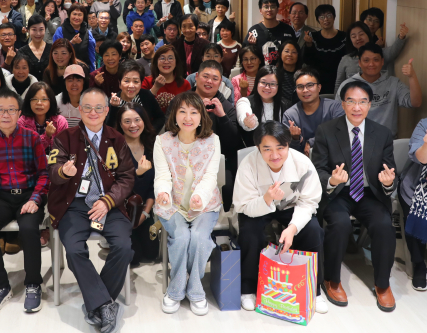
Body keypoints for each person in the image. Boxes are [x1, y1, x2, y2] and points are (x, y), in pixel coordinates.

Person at [47, 88, 135, 331]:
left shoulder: (117, 139)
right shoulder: (64, 137)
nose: (93, 112)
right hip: (73, 205)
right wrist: (64, 172)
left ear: (107, 111)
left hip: (109, 204)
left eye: (98, 108)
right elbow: (52, 172)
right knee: (74, 250)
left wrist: (108, 201)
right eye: (87, 107)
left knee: (124, 247)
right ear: (80, 110)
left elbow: (127, 177)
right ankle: (106, 304)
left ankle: (97, 302)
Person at [312, 80, 398, 312]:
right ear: (343, 104)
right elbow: (317, 169)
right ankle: (332, 280)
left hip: (370, 193)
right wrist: (332, 180)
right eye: (351, 101)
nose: (357, 107)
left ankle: (383, 285)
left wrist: (388, 183)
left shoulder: (382, 133)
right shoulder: (326, 130)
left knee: (384, 225)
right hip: (339, 193)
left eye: (362, 102)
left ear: (370, 105)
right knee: (340, 224)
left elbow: (390, 171)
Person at [233, 122, 327, 314]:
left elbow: (309, 202)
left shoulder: (302, 164)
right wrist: (267, 198)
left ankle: (314, 289)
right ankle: (248, 288)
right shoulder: (248, 164)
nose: (274, 155)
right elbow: (243, 205)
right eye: (267, 149)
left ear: (288, 145)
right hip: (258, 206)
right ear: (258, 147)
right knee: (250, 231)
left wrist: (292, 228)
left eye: (280, 148)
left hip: (292, 206)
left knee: (313, 230)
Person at [0, 89, 48, 313]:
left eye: (11, 110)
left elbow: (44, 174)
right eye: (0, 110)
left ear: (19, 113)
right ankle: (0, 287)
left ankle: (33, 284)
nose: (6, 115)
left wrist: (35, 199)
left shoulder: (32, 138)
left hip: (28, 195)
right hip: (1, 196)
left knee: (29, 229)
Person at [154, 92, 221, 315]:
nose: (188, 117)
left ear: (202, 117)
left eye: (193, 112)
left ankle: (194, 289)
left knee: (200, 238)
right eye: (182, 111)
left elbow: (210, 176)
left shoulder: (212, 141)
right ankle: (177, 289)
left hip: (205, 204)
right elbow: (162, 176)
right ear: (174, 115)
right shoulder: (162, 141)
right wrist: (163, 193)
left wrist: (199, 196)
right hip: (172, 205)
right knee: (182, 238)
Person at [179, 60, 241, 208]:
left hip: (218, 160)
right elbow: (172, 131)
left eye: (214, 78)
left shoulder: (225, 106)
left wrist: (222, 117)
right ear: (196, 77)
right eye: (205, 76)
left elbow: (234, 143)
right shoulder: (180, 101)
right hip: (184, 157)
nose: (209, 81)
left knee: (227, 188)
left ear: (220, 83)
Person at [336, 43, 422, 137]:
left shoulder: (393, 83)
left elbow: (416, 102)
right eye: (366, 60)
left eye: (376, 60)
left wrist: (412, 76)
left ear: (382, 61)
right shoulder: (347, 85)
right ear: (359, 63)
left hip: (387, 139)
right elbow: (337, 115)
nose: (371, 64)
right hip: (356, 139)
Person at [114, 103, 158, 266]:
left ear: (144, 121)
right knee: (133, 258)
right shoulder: (114, 148)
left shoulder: (153, 145)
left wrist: (145, 213)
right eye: (127, 121)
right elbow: (116, 186)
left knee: (152, 254)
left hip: (144, 209)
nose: (133, 125)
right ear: (120, 124)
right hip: (121, 211)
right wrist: (137, 174)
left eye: (137, 120)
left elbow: (155, 185)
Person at [282, 68, 345, 156]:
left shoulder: (336, 107)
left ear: (319, 87)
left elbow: (340, 134)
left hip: (333, 157)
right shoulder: (290, 115)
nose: (305, 90)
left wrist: (311, 142)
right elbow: (289, 151)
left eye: (310, 85)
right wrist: (295, 139)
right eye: (300, 86)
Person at [334, 20, 408, 91]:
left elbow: (393, 51)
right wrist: (337, 99)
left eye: (361, 34)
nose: (358, 38)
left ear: (368, 35)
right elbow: (339, 84)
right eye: (353, 36)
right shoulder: (346, 59)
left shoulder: (379, 53)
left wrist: (401, 37)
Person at [398, 118, 427, 291]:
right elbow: (420, 157)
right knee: (414, 211)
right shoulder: (424, 124)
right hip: (416, 186)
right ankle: (419, 263)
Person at [236, 65, 291, 147]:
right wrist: (248, 122)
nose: (267, 87)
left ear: (279, 86)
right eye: (263, 82)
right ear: (257, 82)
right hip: (254, 150)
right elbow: (243, 114)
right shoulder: (244, 102)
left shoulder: (286, 105)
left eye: (272, 84)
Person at [107, 60, 165, 131]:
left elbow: (160, 118)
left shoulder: (147, 96)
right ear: (119, 83)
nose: (131, 86)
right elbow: (108, 129)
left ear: (141, 83)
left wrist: (150, 132)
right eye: (127, 81)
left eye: (136, 81)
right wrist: (114, 108)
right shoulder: (111, 102)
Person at [303, 4, 347, 95]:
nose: (326, 19)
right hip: (318, 81)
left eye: (329, 16)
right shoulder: (312, 37)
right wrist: (309, 45)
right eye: (322, 17)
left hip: (339, 80)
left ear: (334, 17)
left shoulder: (344, 37)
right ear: (318, 20)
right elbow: (308, 61)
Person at [243, 0, 295, 65]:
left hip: (283, 70)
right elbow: (244, 55)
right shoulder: (254, 31)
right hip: (261, 70)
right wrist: (251, 46)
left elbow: (295, 52)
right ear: (260, 11)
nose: (269, 9)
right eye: (266, 7)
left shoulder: (287, 29)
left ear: (277, 9)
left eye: (273, 7)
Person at [18, 82, 68, 150]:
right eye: (35, 99)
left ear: (51, 101)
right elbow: (27, 150)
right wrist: (47, 136)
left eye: (44, 99)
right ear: (29, 102)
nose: (39, 103)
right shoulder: (22, 122)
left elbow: (64, 149)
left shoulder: (60, 122)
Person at [142, 44, 191, 112]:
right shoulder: (146, 81)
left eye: (170, 58)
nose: (166, 62)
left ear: (176, 62)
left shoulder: (184, 84)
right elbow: (142, 107)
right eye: (162, 58)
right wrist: (155, 87)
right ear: (156, 62)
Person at [53, 4, 96, 70]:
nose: (77, 17)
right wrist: (71, 43)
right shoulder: (60, 30)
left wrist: (92, 72)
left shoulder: (88, 33)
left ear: (83, 17)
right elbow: (56, 51)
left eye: (80, 15)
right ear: (69, 15)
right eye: (74, 14)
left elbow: (91, 56)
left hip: (83, 70)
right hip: (64, 69)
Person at [17, 14, 50, 80]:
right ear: (28, 30)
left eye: (41, 29)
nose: (38, 33)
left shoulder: (52, 49)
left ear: (45, 30)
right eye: (34, 30)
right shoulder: (22, 52)